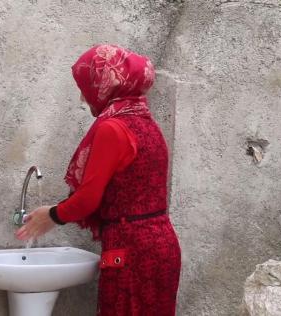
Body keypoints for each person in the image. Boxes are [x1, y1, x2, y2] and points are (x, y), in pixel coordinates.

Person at [16, 45, 181, 316]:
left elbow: (88, 200)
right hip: (163, 246)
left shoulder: (112, 128)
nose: (83, 98)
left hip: (131, 250)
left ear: (106, 85)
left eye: (86, 87)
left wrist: (52, 215)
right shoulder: (146, 122)